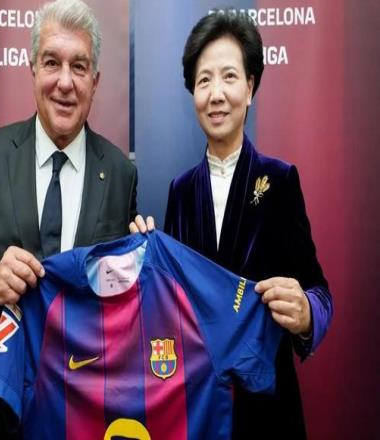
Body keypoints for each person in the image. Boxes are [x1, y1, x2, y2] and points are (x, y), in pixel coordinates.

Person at [0, 0, 136, 438]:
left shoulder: (120, 173)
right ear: (33, 69)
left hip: (87, 414)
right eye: (52, 62)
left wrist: (137, 261)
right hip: (0, 415)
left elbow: (123, 296)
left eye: (79, 67)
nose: (65, 82)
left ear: (95, 81)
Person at [131, 10, 332, 440]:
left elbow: (319, 291)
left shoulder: (280, 180)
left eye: (229, 77)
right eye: (204, 80)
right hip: (198, 406)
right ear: (193, 93)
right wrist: (143, 262)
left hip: (268, 408)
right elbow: (170, 304)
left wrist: (305, 313)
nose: (216, 94)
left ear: (250, 87)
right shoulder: (181, 190)